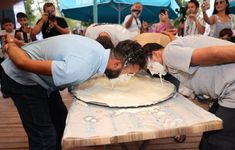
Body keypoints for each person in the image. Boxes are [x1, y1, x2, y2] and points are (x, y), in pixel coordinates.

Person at [1, 34, 147, 150]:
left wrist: (18, 44)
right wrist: (11, 45)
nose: (127, 77)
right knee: (45, 138)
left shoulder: (97, 49)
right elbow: (23, 63)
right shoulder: (80, 67)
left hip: (43, 82)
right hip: (22, 79)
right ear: (117, 63)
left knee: (61, 122)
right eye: (128, 73)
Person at [140, 32, 235, 150]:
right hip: (229, 89)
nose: (152, 71)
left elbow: (215, 54)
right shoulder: (173, 53)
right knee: (210, 132)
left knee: (218, 141)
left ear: (155, 53)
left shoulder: (169, 54)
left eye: (150, 66)